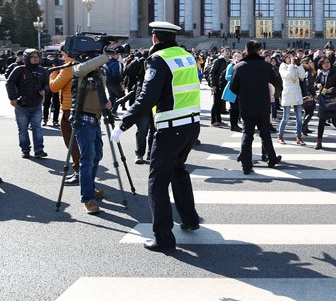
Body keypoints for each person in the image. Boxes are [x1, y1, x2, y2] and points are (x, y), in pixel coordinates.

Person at [112, 21, 201, 252]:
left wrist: (124, 123)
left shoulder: (158, 60)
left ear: (155, 39)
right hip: (191, 125)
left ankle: (163, 237)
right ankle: (190, 219)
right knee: (179, 171)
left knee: (157, 182)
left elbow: (147, 97)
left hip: (171, 128)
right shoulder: (187, 56)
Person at [71, 47, 118, 214]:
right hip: (82, 119)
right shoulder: (79, 67)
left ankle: (90, 187)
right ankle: (87, 198)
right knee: (88, 158)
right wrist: (106, 56)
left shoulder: (98, 73)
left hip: (95, 118)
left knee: (97, 155)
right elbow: (80, 69)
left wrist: (106, 102)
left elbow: (101, 93)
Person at [230, 40, 282, 174]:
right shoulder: (266, 66)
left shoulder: (239, 66)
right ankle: (271, 159)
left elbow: (233, 88)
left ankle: (246, 165)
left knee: (247, 135)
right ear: (259, 51)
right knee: (265, 134)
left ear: (246, 51)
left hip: (246, 105)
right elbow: (277, 82)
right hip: (263, 104)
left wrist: (244, 92)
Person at [5, 49, 49, 158]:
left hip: (37, 104)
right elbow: (9, 83)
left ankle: (39, 150)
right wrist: (13, 98)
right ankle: (25, 150)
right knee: (23, 130)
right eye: (32, 57)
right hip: (22, 106)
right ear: (27, 58)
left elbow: (47, 84)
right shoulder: (19, 69)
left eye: (37, 56)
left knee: (37, 128)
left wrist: (45, 90)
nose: (35, 58)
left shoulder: (42, 70)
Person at [49, 45, 81, 184]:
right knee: (80, 143)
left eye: (63, 54)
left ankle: (79, 171)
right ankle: (81, 171)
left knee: (72, 142)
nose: (62, 58)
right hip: (80, 107)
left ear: (68, 53)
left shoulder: (69, 66)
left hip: (69, 109)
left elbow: (54, 87)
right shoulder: (83, 64)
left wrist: (53, 72)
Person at [313, 55, 336, 149]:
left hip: (333, 100)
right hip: (323, 99)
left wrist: (333, 89)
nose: (326, 65)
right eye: (323, 63)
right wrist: (317, 85)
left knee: (335, 121)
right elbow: (315, 84)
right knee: (321, 121)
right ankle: (319, 142)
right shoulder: (320, 74)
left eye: (327, 62)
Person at [277, 50, 306, 145]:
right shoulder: (283, 66)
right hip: (288, 93)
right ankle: (280, 136)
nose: (291, 59)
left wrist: (299, 65)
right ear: (285, 58)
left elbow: (302, 76)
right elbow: (287, 76)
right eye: (288, 57)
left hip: (297, 93)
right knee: (285, 117)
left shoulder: (295, 66)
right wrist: (291, 65)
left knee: (299, 118)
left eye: (292, 57)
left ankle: (298, 137)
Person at [209, 47, 230, 127]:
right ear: (222, 52)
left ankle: (219, 120)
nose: (228, 52)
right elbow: (212, 73)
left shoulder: (229, 62)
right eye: (226, 51)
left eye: (229, 51)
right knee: (216, 103)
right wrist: (213, 85)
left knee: (220, 103)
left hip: (224, 85)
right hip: (217, 85)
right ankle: (213, 121)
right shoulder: (218, 61)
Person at [221, 50, 242, 132]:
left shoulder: (241, 65)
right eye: (237, 56)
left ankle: (236, 124)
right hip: (232, 89)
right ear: (234, 57)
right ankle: (233, 125)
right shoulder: (231, 65)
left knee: (237, 108)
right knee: (234, 108)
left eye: (240, 56)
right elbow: (227, 77)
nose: (239, 58)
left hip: (239, 89)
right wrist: (236, 77)